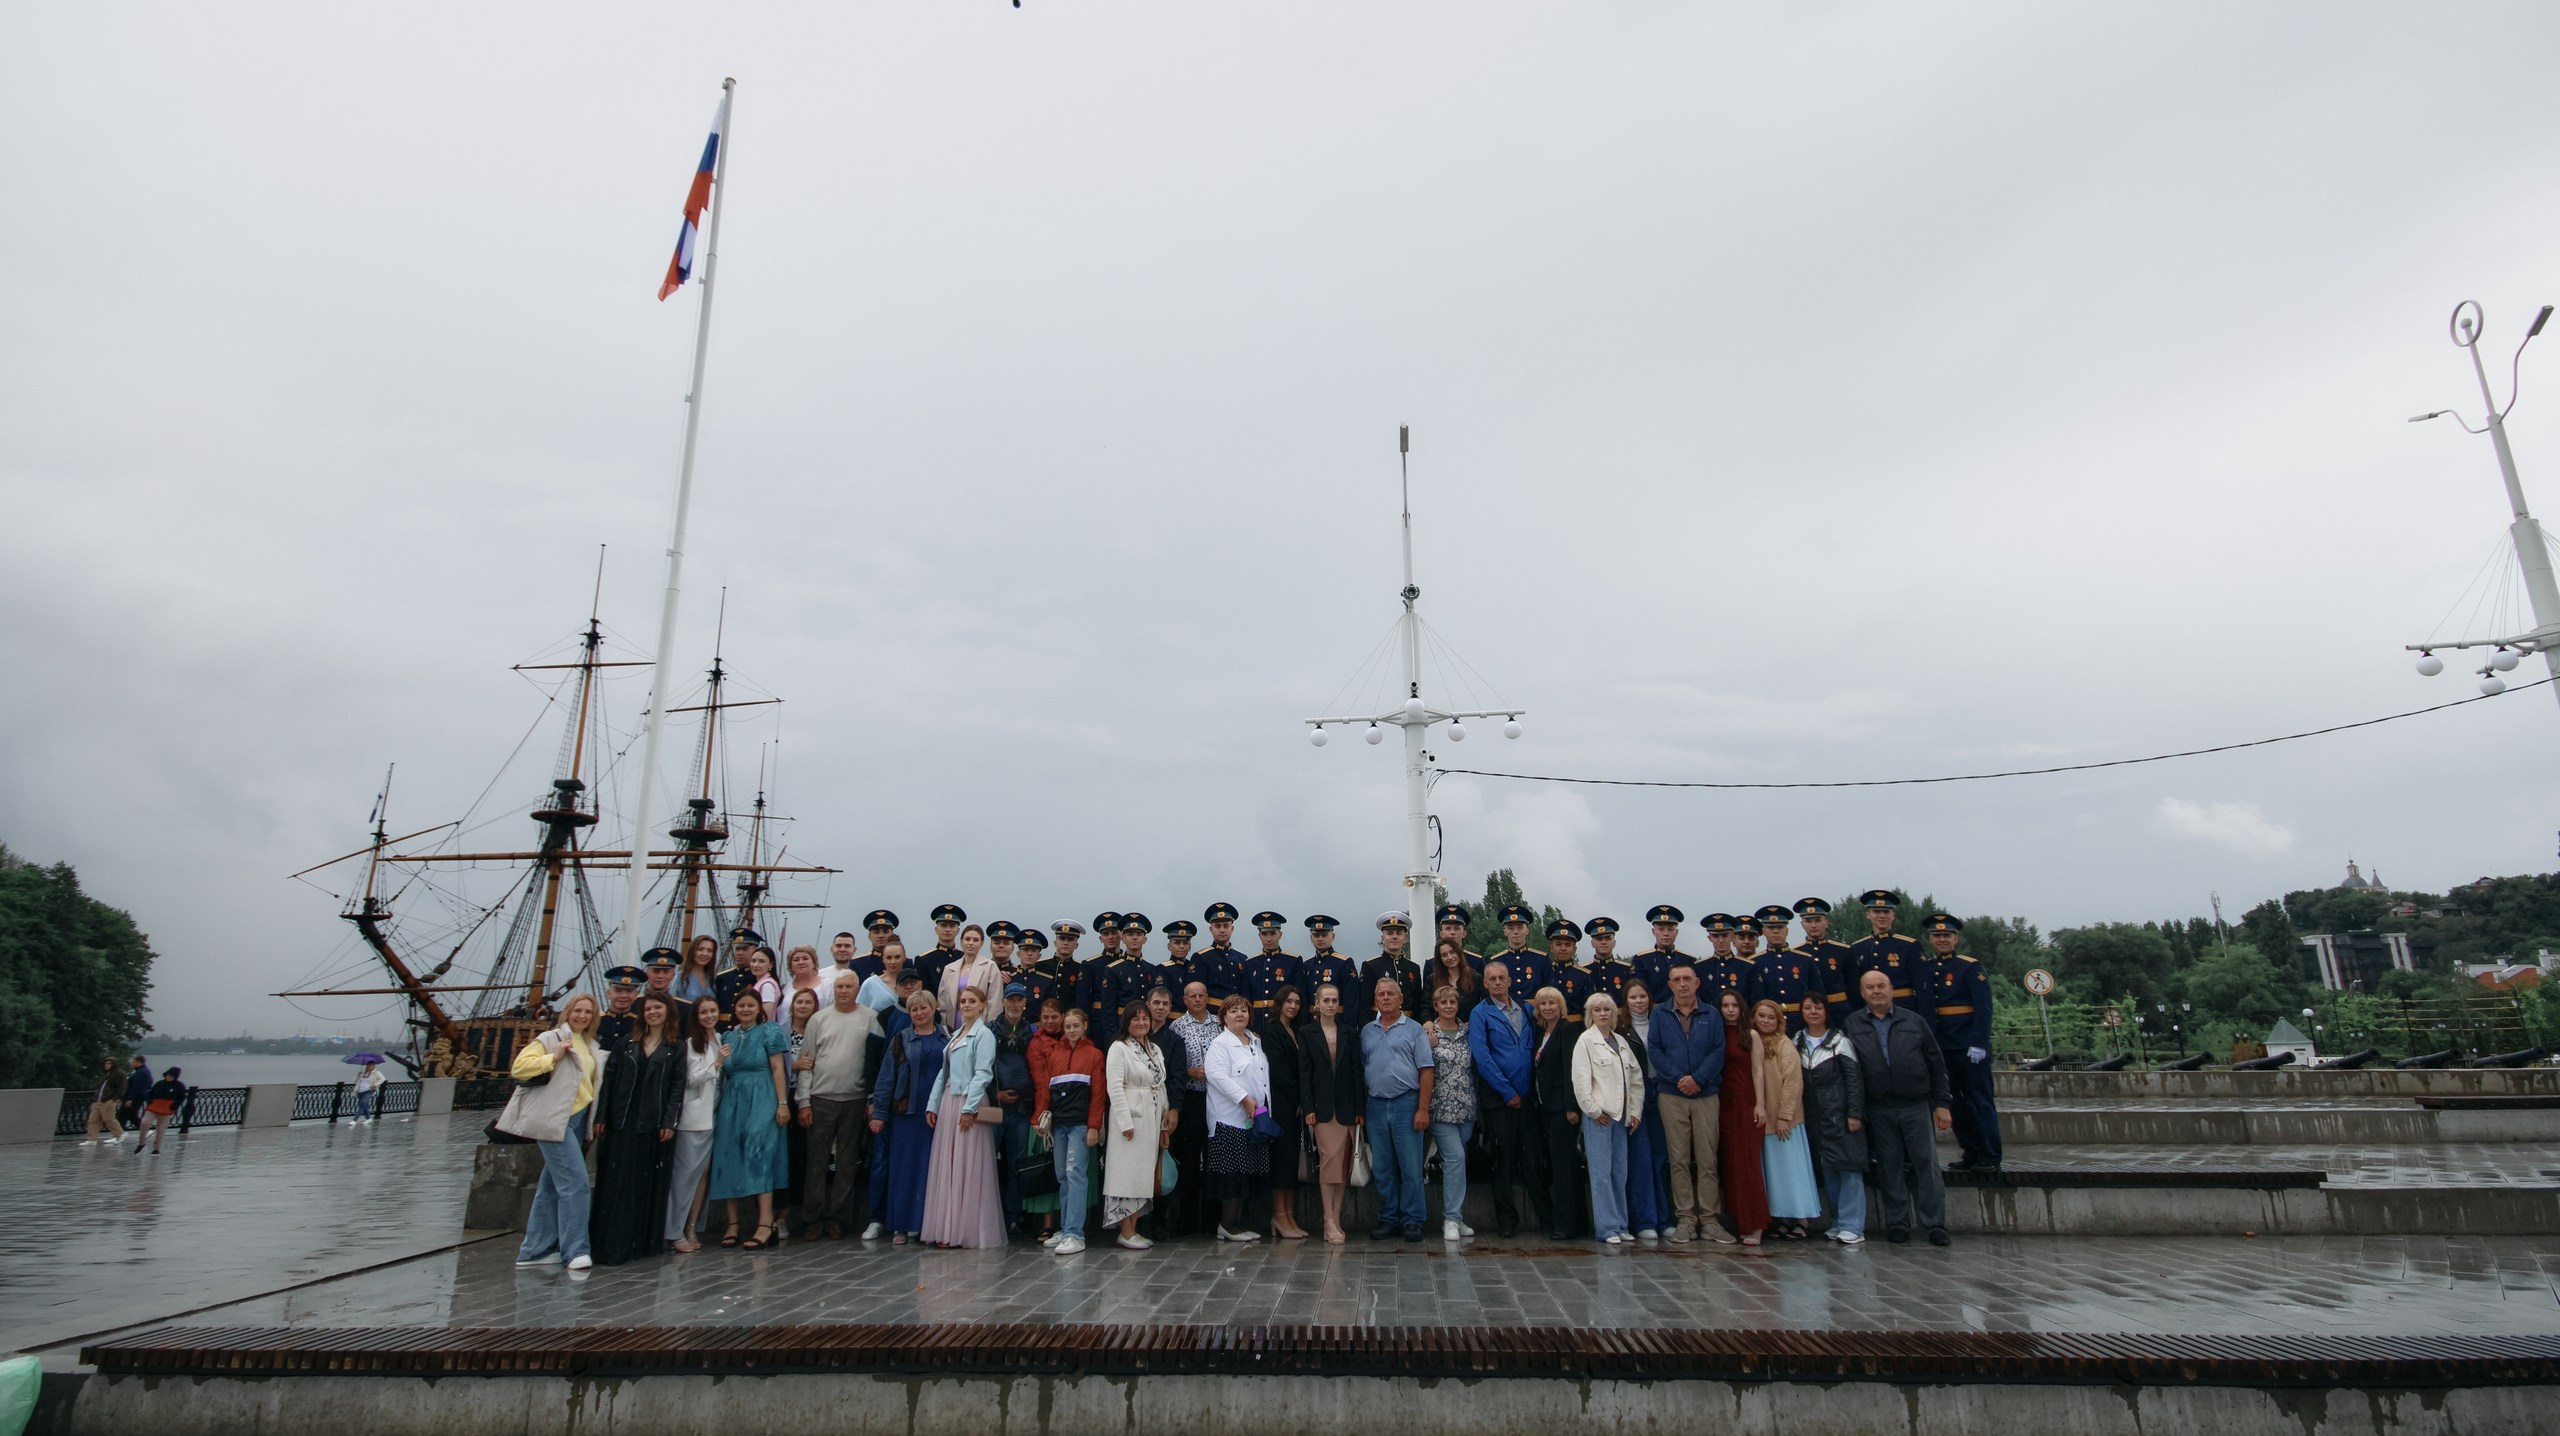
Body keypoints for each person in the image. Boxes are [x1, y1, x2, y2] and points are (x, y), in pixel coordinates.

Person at [1845, 967, 1954, 1246]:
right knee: (1889, 1167)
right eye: (1870, 987)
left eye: (1881, 985)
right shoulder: (1852, 1024)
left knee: (1926, 1165)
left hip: (1915, 1104)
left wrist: (1942, 1104)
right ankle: (1898, 1222)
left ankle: (1934, 1224)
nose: (1876, 991)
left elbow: (1936, 1064)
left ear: (1892, 989)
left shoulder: (1914, 1021)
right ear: (1862, 993)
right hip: (1878, 1107)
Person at [498, 994, 603, 1270]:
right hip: (556, 1119)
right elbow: (519, 1067)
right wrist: (551, 1058)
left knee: (551, 1187)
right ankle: (575, 1249)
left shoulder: (590, 1045)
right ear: (568, 1012)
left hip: (578, 1120)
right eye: (578, 1011)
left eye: (588, 1013)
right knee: (575, 1183)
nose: (582, 1016)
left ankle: (534, 1251)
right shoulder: (551, 1038)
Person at [590, 992, 685, 1265]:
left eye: (658, 1008)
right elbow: (609, 1081)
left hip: (652, 1121)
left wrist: (670, 1121)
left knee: (644, 1181)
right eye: (648, 1008)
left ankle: (639, 1241)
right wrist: (602, 1116)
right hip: (623, 1118)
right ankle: (610, 1240)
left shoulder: (675, 1047)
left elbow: (676, 1087)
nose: (653, 1012)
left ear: (668, 1012)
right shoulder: (626, 1044)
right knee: (616, 1180)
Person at [919, 985, 1005, 1248]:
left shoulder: (984, 1034)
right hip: (948, 1100)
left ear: (982, 1005)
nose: (966, 1005)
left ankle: (963, 1229)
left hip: (969, 1100)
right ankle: (946, 1227)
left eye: (971, 1001)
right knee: (949, 1165)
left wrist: (969, 1107)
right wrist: (933, 1104)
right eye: (963, 1001)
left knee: (967, 1166)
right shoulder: (955, 1034)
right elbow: (943, 1073)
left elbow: (983, 1073)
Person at [706, 988, 792, 1250]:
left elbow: (778, 1067)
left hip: (762, 1095)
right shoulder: (728, 1036)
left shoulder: (770, 1031)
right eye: (740, 1005)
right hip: (733, 1099)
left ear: (758, 1008)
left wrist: (781, 1103)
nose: (745, 1009)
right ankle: (732, 1223)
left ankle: (765, 1222)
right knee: (728, 1155)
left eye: (750, 1005)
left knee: (760, 1154)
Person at [798, 975, 882, 1240]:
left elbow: (874, 1062)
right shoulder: (818, 1019)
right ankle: (812, 1219)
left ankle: (838, 1219)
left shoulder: (871, 1018)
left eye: (848, 987)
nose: (844, 991)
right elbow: (806, 1061)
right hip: (821, 1098)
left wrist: (870, 1100)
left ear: (858, 990)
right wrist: (803, 1102)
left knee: (846, 1163)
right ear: (833, 990)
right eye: (839, 987)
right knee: (816, 1163)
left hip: (854, 1099)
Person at [1650, 962, 1729, 1243]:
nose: (1682, 984)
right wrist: (1679, 1078)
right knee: (1678, 1159)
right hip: (1671, 1094)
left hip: (1705, 1094)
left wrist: (1697, 1079)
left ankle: (1710, 1220)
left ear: (1697, 983)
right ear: (1670, 985)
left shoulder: (1712, 1014)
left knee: (1708, 1159)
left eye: (1687, 979)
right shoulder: (1659, 1014)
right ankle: (1685, 1218)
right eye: (1676, 980)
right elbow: (1655, 1050)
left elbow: (1718, 1050)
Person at [1920, 914, 2003, 1174]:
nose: (1942, 940)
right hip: (1942, 1045)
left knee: (1980, 1100)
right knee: (1953, 1102)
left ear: (1956, 938)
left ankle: (1990, 1154)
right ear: (1931, 939)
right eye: (1937, 936)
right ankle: (1971, 1150)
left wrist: (1979, 1042)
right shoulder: (1928, 968)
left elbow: (1983, 1009)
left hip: (1968, 1045)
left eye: (1947, 935)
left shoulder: (1970, 967)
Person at [1465, 958, 1542, 1237]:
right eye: (1492, 979)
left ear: (1510, 981)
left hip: (1528, 1098)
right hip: (1500, 1100)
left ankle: (1545, 1215)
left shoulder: (1527, 1009)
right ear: (1484, 984)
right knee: (1504, 1161)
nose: (1497, 982)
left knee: (1533, 1157)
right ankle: (1507, 1220)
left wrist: (1527, 1091)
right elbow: (1483, 1058)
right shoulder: (1481, 1013)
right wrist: (1508, 1092)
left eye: (1502, 978)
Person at [1361, 973, 1435, 1242]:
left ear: (1401, 999)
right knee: (1382, 1167)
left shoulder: (1414, 1029)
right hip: (1376, 1105)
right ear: (1375, 1000)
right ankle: (1389, 1217)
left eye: (1391, 994)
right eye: (1381, 995)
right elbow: (1363, 1067)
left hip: (1407, 1103)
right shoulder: (1367, 1031)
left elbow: (1426, 1071)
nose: (1386, 998)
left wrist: (1423, 1109)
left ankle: (1413, 1220)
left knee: (1410, 1167)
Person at [869, 990, 948, 1244]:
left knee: (930, 1170)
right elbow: (886, 1078)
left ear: (933, 1008)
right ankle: (900, 1225)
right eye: (914, 1009)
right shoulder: (900, 1039)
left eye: (923, 1007)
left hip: (936, 1114)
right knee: (903, 1170)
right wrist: (880, 1112)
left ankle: (926, 1225)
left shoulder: (947, 1037)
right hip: (906, 1114)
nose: (919, 1013)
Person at [1570, 993, 1643, 1245]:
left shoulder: (1621, 1041)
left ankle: (1622, 1224)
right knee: (1601, 1173)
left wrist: (1635, 1111)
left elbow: (1635, 1080)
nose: (1603, 1014)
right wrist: (1593, 1110)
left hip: (1621, 1117)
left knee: (1619, 1173)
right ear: (1590, 1014)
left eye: (1607, 1009)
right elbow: (1581, 1081)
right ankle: (1607, 1228)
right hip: (1600, 1117)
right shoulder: (1585, 1041)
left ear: (1614, 1013)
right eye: (1597, 1010)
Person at [1297, 982, 1365, 1244]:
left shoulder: (1349, 1032)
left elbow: (1356, 1072)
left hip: (1347, 1108)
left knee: (1344, 1165)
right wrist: (1309, 1107)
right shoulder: (1307, 1032)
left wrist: (1360, 1109)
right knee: (1329, 1162)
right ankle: (1327, 1219)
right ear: (1317, 1003)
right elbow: (1305, 1072)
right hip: (1323, 1110)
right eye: (1325, 1000)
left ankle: (1337, 1217)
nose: (1330, 1004)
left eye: (1334, 1000)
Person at [1101, 1001, 1172, 1251]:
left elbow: (1160, 1084)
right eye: (1136, 1019)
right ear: (1127, 1022)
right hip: (1131, 1116)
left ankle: (1134, 1226)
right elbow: (1115, 1087)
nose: (1141, 1023)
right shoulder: (1119, 1048)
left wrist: (1164, 1122)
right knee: (1125, 1173)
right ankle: (1125, 1231)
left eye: (1145, 1018)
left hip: (1152, 1117)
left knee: (1143, 1173)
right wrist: (1124, 1122)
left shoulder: (1154, 1048)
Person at [1796, 994, 1868, 1245]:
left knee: (1849, 1168)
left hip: (1840, 1114)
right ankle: (1837, 1221)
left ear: (1826, 1011)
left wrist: (1854, 1113)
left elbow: (1854, 1080)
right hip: (1815, 1117)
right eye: (1807, 1007)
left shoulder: (1840, 1041)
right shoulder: (1797, 1041)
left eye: (1818, 1007)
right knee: (1829, 1169)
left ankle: (1853, 1225)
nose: (1813, 1012)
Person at [1203, 993, 1273, 1241]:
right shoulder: (1220, 1044)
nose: (1239, 1014)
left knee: (1247, 1173)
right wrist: (1244, 1098)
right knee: (1232, 1175)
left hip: (1254, 1120)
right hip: (1229, 1120)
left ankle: (1239, 1223)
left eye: (1243, 1010)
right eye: (1233, 1011)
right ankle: (1227, 1224)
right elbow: (1217, 1076)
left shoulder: (1255, 1041)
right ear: (1223, 1017)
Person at [1041, 1006, 1110, 1253]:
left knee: (1075, 1174)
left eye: (1075, 1026)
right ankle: (1065, 1227)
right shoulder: (1055, 1054)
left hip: (1080, 1125)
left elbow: (1098, 1094)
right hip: (1059, 1125)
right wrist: (1040, 1118)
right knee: (1062, 1176)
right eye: (1067, 1026)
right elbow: (1044, 1089)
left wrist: (1094, 1126)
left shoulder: (1094, 1055)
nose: (1071, 1030)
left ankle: (1075, 1233)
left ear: (1085, 1026)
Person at [1751, 998, 1822, 1239]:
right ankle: (1781, 1218)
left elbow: (1793, 1082)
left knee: (1792, 1171)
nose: (1766, 1021)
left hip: (1784, 1120)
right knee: (1775, 1174)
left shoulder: (1785, 1045)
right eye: (1761, 1016)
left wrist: (1784, 1116)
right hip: (1763, 1120)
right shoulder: (1753, 1043)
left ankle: (1800, 1219)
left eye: (1771, 1017)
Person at [666, 994, 725, 1251]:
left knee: (702, 1175)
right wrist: (717, 1064)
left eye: (713, 1011)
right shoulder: (691, 1044)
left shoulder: (719, 1039)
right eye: (704, 1012)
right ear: (696, 1017)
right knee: (685, 1176)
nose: (709, 1016)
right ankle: (674, 1230)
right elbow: (690, 1080)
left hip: (713, 1116)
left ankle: (691, 1226)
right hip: (693, 1119)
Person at [1528, 988, 1585, 1240]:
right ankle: (1569, 1221)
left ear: (1560, 1006)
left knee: (1565, 1167)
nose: (1547, 1008)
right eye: (1542, 1004)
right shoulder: (1542, 1033)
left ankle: (1567, 1225)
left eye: (1552, 1003)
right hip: (1545, 1107)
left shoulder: (1568, 1030)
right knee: (1558, 1164)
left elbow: (1570, 1070)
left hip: (1563, 1109)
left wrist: (1572, 1107)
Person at [1166, 981, 1221, 1237]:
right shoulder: (1177, 1026)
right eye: (1192, 996)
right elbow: (1171, 1064)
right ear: (1185, 1000)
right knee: (1189, 1161)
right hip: (1190, 1099)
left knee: (1213, 1161)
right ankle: (1186, 1221)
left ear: (1207, 997)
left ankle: (1212, 1221)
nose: (1197, 1000)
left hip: (1216, 1100)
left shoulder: (1219, 1024)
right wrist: (1189, 1072)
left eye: (1201, 995)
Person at [1715, 989, 1770, 1245]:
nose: (1730, 1010)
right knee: (1730, 1165)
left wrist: (1760, 1104)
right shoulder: (1715, 1033)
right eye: (1725, 1005)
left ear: (1742, 1008)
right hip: (1722, 1103)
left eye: (1734, 1005)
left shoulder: (1751, 1035)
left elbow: (1758, 1071)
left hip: (1745, 1101)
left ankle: (1756, 1224)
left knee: (1748, 1164)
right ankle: (1737, 1222)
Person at [1257, 986, 1311, 1240]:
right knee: (1281, 1160)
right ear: (1279, 1003)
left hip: (1296, 1105)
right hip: (1280, 1103)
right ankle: (1278, 1215)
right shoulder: (1271, 1031)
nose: (1293, 1006)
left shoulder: (1298, 1031)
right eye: (1288, 1001)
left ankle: (1289, 1213)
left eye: (1297, 1002)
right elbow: (1279, 1071)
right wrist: (1298, 1097)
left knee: (1291, 1162)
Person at [1425, 982, 1477, 1242]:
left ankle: (1458, 1216)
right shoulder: (1428, 1033)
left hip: (1466, 1106)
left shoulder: (1468, 1032)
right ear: (1436, 1006)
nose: (1447, 1006)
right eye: (1443, 1002)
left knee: (1460, 1161)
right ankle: (1451, 1218)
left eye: (1452, 1002)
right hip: (1441, 1107)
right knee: (1455, 1158)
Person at [1620, 982, 1671, 1239]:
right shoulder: (1621, 1029)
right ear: (1626, 1001)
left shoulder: (1663, 1022)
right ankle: (1645, 1220)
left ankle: (1665, 1218)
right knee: (1640, 1159)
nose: (1639, 1001)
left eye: (1643, 996)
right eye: (1633, 997)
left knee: (1661, 1157)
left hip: (1662, 1092)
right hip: (1635, 1096)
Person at [989, 981, 1039, 1236]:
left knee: (1017, 1165)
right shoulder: (990, 1030)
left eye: (1020, 1000)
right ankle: (987, 1216)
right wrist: (993, 1094)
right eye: (1011, 1000)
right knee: (987, 1164)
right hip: (995, 1109)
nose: (1015, 1005)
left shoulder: (1033, 1031)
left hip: (1021, 1109)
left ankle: (1014, 1216)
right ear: (1003, 1002)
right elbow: (982, 1068)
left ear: (1025, 1003)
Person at [779, 988, 822, 1240]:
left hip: (810, 1098)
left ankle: (807, 1216)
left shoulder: (818, 1029)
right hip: (783, 1096)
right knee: (782, 1157)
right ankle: (780, 1217)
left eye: (809, 1002)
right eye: (799, 1001)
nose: (803, 1006)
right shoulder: (779, 1030)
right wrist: (793, 1065)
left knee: (805, 1157)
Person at [1846, 890, 1924, 1013]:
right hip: (1870, 1012)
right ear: (1868, 915)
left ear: (1893, 915)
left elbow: (1922, 987)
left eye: (1886, 912)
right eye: (1876, 912)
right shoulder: (1857, 948)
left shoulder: (1909, 946)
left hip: (1904, 1009)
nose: (1882, 916)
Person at [1793, 897, 1856, 1024]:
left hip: (1839, 1012)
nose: (1813, 925)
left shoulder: (1843, 951)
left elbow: (1853, 986)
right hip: (1809, 1015)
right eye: (1808, 921)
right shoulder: (1796, 954)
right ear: (1802, 924)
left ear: (1826, 922)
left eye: (1818, 920)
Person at [1751, 907, 1812, 1034]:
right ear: (1763, 931)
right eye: (1771, 928)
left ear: (1787, 930)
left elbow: (1816, 994)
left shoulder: (1804, 960)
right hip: (1768, 1025)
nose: (1775, 931)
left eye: (1780, 928)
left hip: (1800, 1023)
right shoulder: (1754, 962)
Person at [1359, 911, 1424, 1025]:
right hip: (1379, 1024)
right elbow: (1364, 1004)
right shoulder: (1371, 966)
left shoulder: (1413, 968)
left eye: (1399, 933)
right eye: (1389, 933)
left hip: (1408, 1025)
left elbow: (1417, 1003)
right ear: (1383, 938)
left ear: (1405, 938)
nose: (1394, 937)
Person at [1296, 916, 1360, 1028]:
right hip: (1312, 1024)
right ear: (1311, 938)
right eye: (1316, 935)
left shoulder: (1344, 963)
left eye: (1324, 935)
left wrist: (1349, 1029)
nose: (1320, 939)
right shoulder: (1307, 965)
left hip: (1337, 1023)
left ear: (1333, 936)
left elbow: (1351, 1001)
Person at [936, 923, 1003, 1020]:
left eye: (975, 940)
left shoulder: (990, 967)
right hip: (953, 1024)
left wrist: (989, 1028)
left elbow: (995, 1004)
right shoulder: (949, 969)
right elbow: (943, 1004)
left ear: (981, 943)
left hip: (980, 1025)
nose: (971, 943)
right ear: (961, 941)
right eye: (967, 939)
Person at [1487, 903, 1553, 997]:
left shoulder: (1541, 959)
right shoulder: (1495, 961)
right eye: (1511, 928)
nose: (1516, 932)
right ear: (1505, 932)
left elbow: (1549, 991)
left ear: (1527, 930)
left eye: (1520, 927)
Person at [1633, 905, 1692, 1007]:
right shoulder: (1642, 960)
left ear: (1676, 932)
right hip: (1654, 1013)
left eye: (1670, 929)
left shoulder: (1687, 960)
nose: (1666, 934)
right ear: (1653, 931)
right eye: (1661, 929)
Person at [916, 904, 968, 1000]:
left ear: (958, 931)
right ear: (936, 929)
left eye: (952, 926)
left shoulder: (965, 957)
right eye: (943, 925)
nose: (947, 930)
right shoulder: (924, 960)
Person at [136, 1064, 190, 1156]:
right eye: (168, 1075)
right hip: (153, 1108)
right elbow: (150, 1093)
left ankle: (156, 1149)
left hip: (166, 1111)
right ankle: (141, 1143)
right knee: (145, 1123)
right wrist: (149, 1102)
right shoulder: (159, 1083)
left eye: (171, 1076)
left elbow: (181, 1098)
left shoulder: (179, 1086)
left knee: (160, 1130)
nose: (169, 1077)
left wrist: (174, 1106)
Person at [1425, 935, 1481, 1019]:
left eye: (1452, 952)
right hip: (1440, 1028)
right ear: (1440, 959)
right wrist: (1427, 1021)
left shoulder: (1475, 978)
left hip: (1471, 1027)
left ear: (1458, 952)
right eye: (1444, 955)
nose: (1449, 957)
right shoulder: (1432, 980)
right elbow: (1425, 1006)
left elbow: (1482, 1006)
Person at [855, 939, 911, 1018]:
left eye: (897, 957)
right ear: (883, 959)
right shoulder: (871, 984)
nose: (893, 961)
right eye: (889, 958)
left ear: (904, 957)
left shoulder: (912, 983)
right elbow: (858, 1013)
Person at [82, 1059, 125, 1145]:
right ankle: (91, 1139)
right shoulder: (106, 1075)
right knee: (93, 1120)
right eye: (105, 1063)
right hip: (99, 1100)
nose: (106, 1065)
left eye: (109, 1063)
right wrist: (94, 1099)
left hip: (108, 1100)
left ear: (114, 1064)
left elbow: (121, 1087)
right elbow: (100, 1087)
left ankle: (120, 1134)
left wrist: (114, 1098)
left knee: (108, 1119)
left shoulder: (119, 1074)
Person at [673, 934, 721, 1007]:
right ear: (692, 951)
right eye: (700, 949)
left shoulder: (713, 981)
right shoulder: (679, 978)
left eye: (709, 951)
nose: (705, 954)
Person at [118, 1055, 153, 1132]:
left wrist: (130, 1099)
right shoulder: (145, 1071)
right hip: (139, 1097)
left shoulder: (140, 1073)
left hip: (134, 1098)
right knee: (132, 1116)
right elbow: (149, 1083)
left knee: (122, 1116)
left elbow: (137, 1087)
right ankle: (145, 1131)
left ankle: (119, 1134)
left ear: (139, 1062)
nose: (132, 1063)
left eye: (133, 1062)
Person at [351, 1059, 389, 1124]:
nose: (369, 1067)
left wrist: (375, 1085)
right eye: (368, 1065)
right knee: (364, 1104)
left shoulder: (376, 1072)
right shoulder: (362, 1072)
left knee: (362, 1103)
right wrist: (357, 1076)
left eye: (371, 1065)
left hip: (369, 1090)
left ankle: (355, 1120)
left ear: (374, 1066)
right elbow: (354, 1081)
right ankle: (368, 1118)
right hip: (360, 1090)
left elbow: (382, 1079)